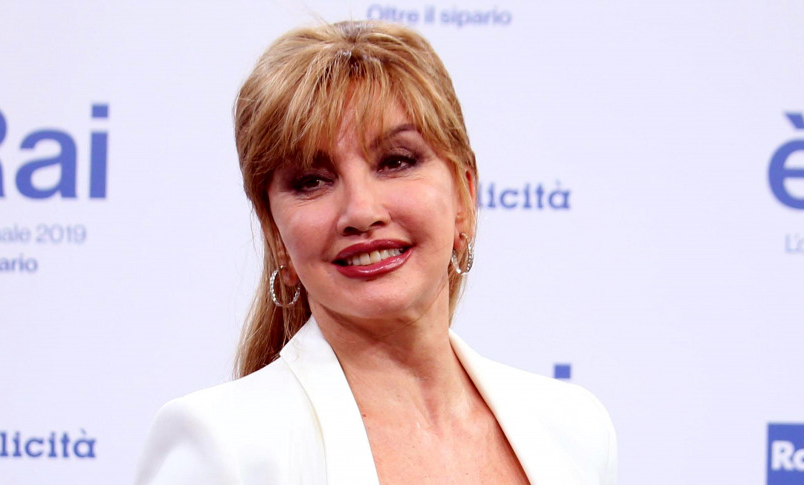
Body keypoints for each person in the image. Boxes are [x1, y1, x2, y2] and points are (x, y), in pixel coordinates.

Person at [136, 20, 617, 485]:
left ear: (465, 197)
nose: (361, 212)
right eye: (312, 181)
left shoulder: (572, 428)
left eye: (396, 161)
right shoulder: (223, 446)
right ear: (276, 235)